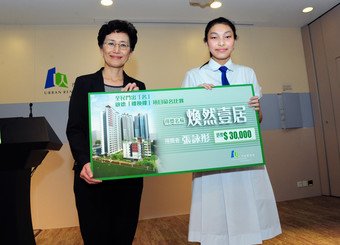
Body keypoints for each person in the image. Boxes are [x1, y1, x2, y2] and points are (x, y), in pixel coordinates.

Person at [182, 17, 282, 245]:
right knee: (215, 216)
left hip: (245, 155)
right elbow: (185, 121)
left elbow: (258, 118)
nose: (221, 43)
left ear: (234, 41)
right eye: (214, 37)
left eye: (227, 36)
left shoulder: (247, 73)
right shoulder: (194, 76)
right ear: (206, 42)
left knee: (248, 212)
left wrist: (256, 110)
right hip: (211, 160)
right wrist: (194, 99)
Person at [66, 20, 145, 244]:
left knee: (123, 237)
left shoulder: (138, 87)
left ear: (131, 51)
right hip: (92, 178)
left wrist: (134, 103)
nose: (116, 50)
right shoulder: (84, 83)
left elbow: (141, 135)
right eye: (111, 43)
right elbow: (75, 129)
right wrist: (83, 162)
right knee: (95, 237)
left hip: (128, 179)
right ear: (101, 47)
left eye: (123, 45)